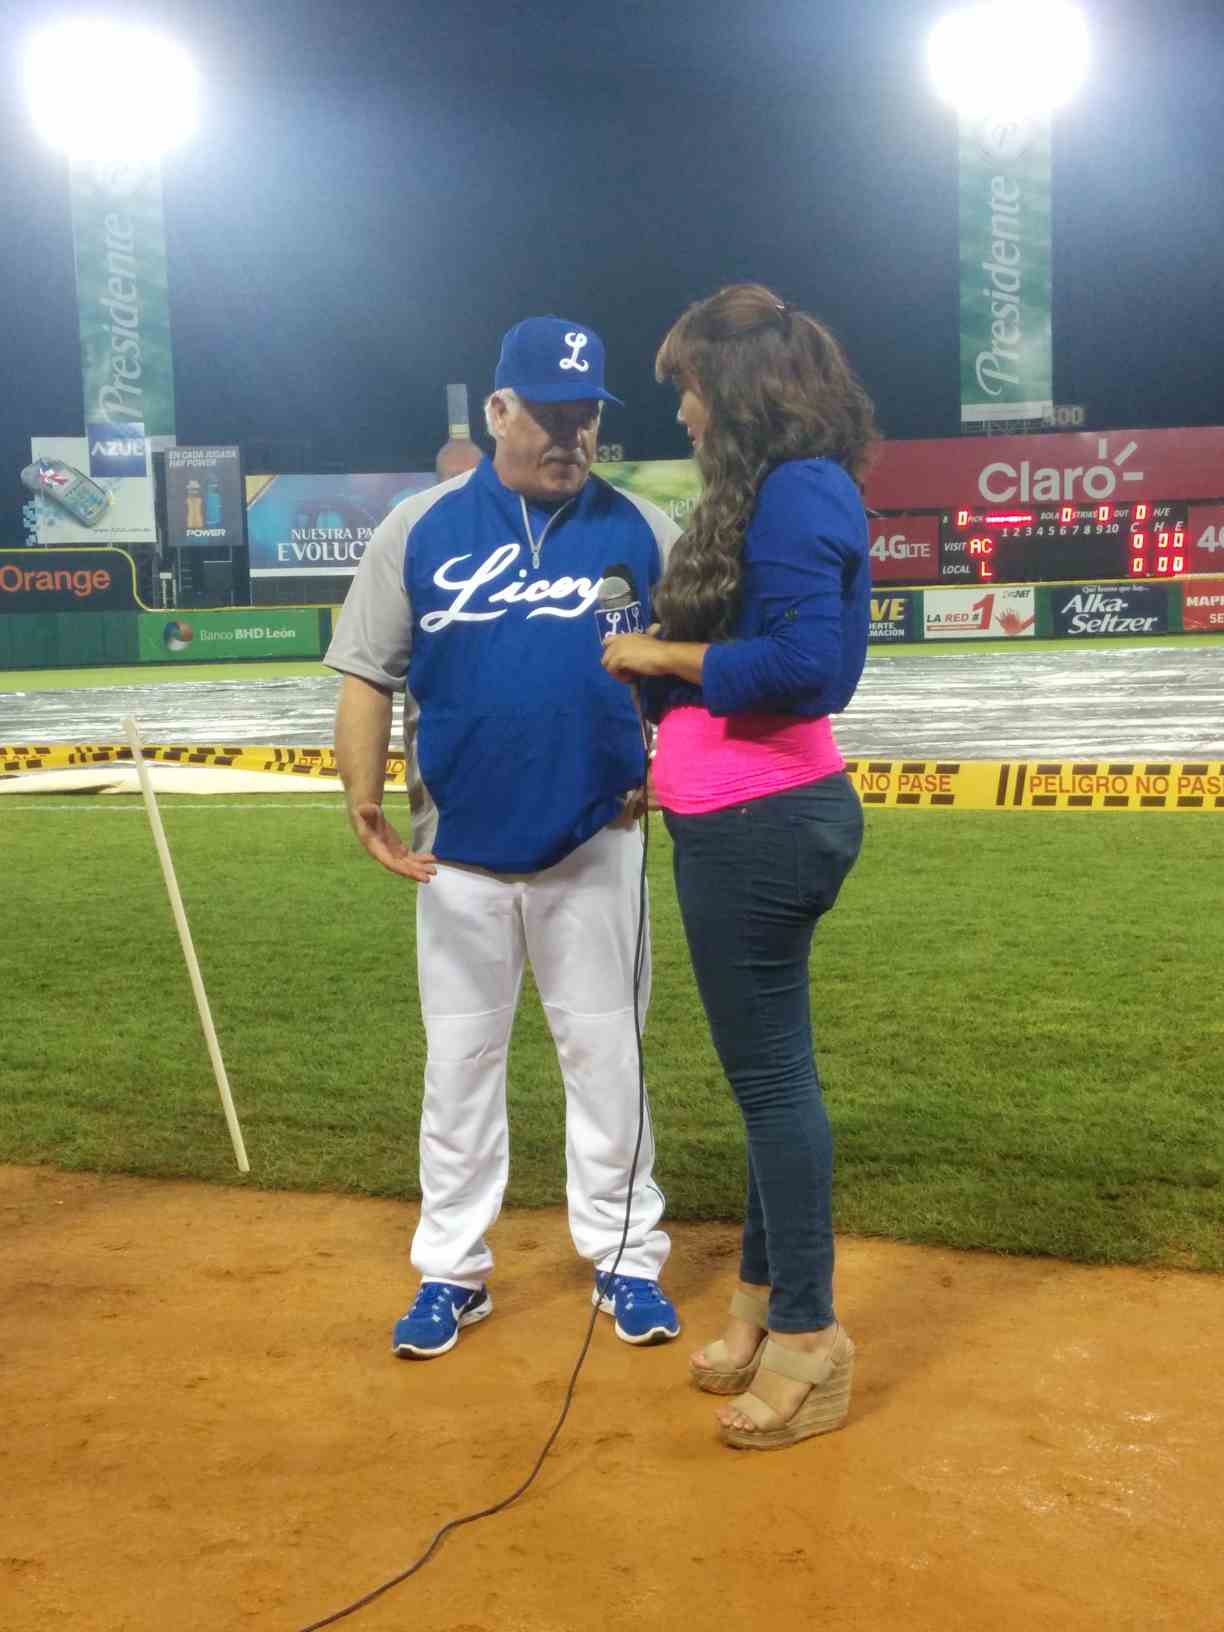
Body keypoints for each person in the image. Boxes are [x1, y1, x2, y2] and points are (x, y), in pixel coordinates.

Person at [326, 316, 682, 1358]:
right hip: (456, 852)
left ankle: (626, 1258)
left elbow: (695, 663)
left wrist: (671, 763)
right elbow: (367, 671)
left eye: (587, 416)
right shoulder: (420, 528)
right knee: (461, 1066)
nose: (573, 435)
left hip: (597, 842)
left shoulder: (643, 527)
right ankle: (452, 1270)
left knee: (608, 1061)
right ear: (498, 410)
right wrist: (361, 795)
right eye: (551, 415)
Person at [601, 283, 876, 1448]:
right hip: (745, 815)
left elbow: (812, 668)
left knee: (773, 1089)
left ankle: (812, 1339)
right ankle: (763, 1305)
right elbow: (772, 656)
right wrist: (663, 690)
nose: (683, 412)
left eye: (690, 387)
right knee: (773, 1084)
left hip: (762, 823)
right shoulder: (783, 488)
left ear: (740, 386)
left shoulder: (801, 489)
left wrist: (659, 654)